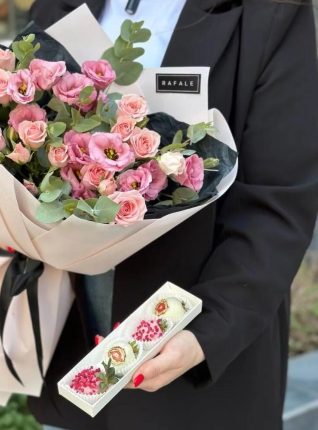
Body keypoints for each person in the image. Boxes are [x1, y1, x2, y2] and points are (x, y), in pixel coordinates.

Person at [22, 0, 318, 429]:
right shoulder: (58, 6)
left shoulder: (268, 15)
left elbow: (276, 206)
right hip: (70, 342)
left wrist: (208, 330)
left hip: (198, 352)